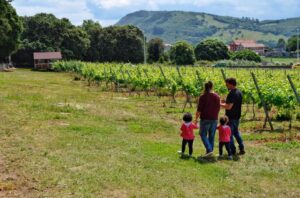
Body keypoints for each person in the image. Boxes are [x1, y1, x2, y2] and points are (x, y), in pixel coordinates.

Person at [195, 81, 221, 157]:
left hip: (205, 118)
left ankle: (209, 150)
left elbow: (199, 110)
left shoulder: (203, 97)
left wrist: (196, 119)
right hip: (214, 118)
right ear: (212, 86)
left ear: (204, 87)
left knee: (202, 134)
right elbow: (218, 108)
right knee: (211, 136)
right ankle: (210, 153)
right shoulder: (217, 96)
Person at [221, 78, 245, 155]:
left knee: (230, 135)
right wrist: (225, 102)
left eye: (227, 84)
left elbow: (229, 107)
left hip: (230, 117)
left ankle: (232, 150)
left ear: (231, 84)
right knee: (236, 133)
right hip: (237, 116)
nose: (226, 85)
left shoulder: (232, 93)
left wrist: (219, 104)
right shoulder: (239, 92)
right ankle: (241, 148)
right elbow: (233, 103)